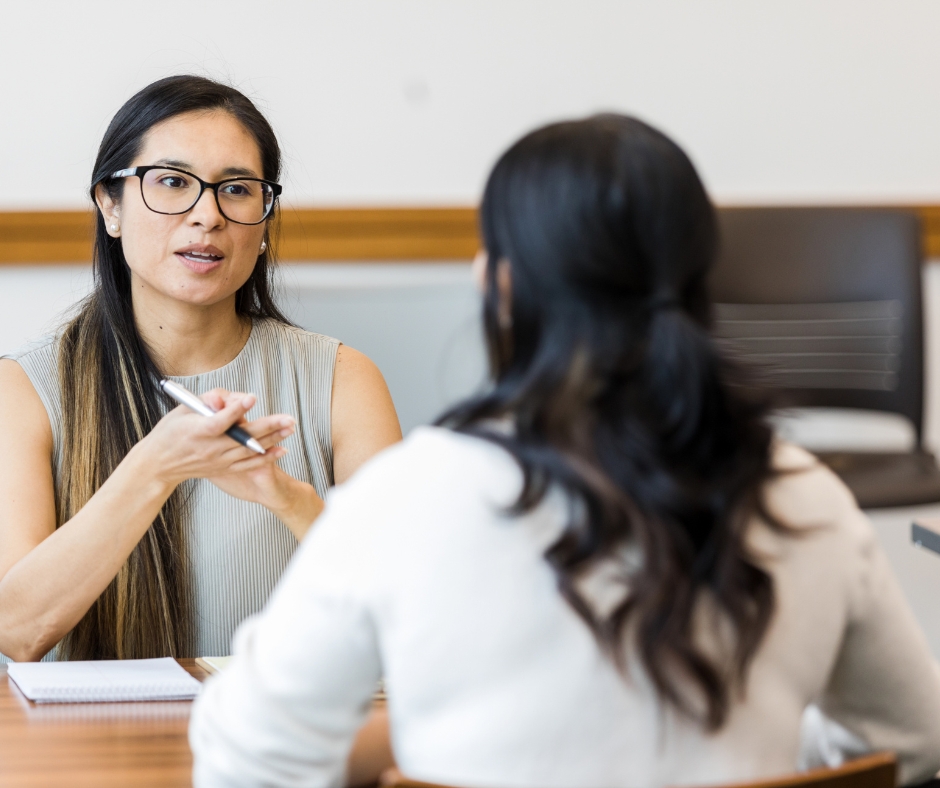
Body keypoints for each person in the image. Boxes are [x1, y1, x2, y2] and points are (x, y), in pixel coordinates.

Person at [189, 115, 940, 788]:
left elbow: (244, 758)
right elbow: (912, 740)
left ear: (500, 285)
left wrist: (413, 746)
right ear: (703, 283)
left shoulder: (414, 493)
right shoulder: (801, 493)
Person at [0, 75, 401, 663]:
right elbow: (16, 630)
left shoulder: (345, 379)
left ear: (263, 222)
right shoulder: (23, 389)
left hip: (278, 746)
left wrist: (290, 500)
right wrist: (156, 467)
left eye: (236, 189)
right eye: (171, 181)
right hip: (90, 751)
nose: (208, 215)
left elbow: (410, 613)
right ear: (110, 206)